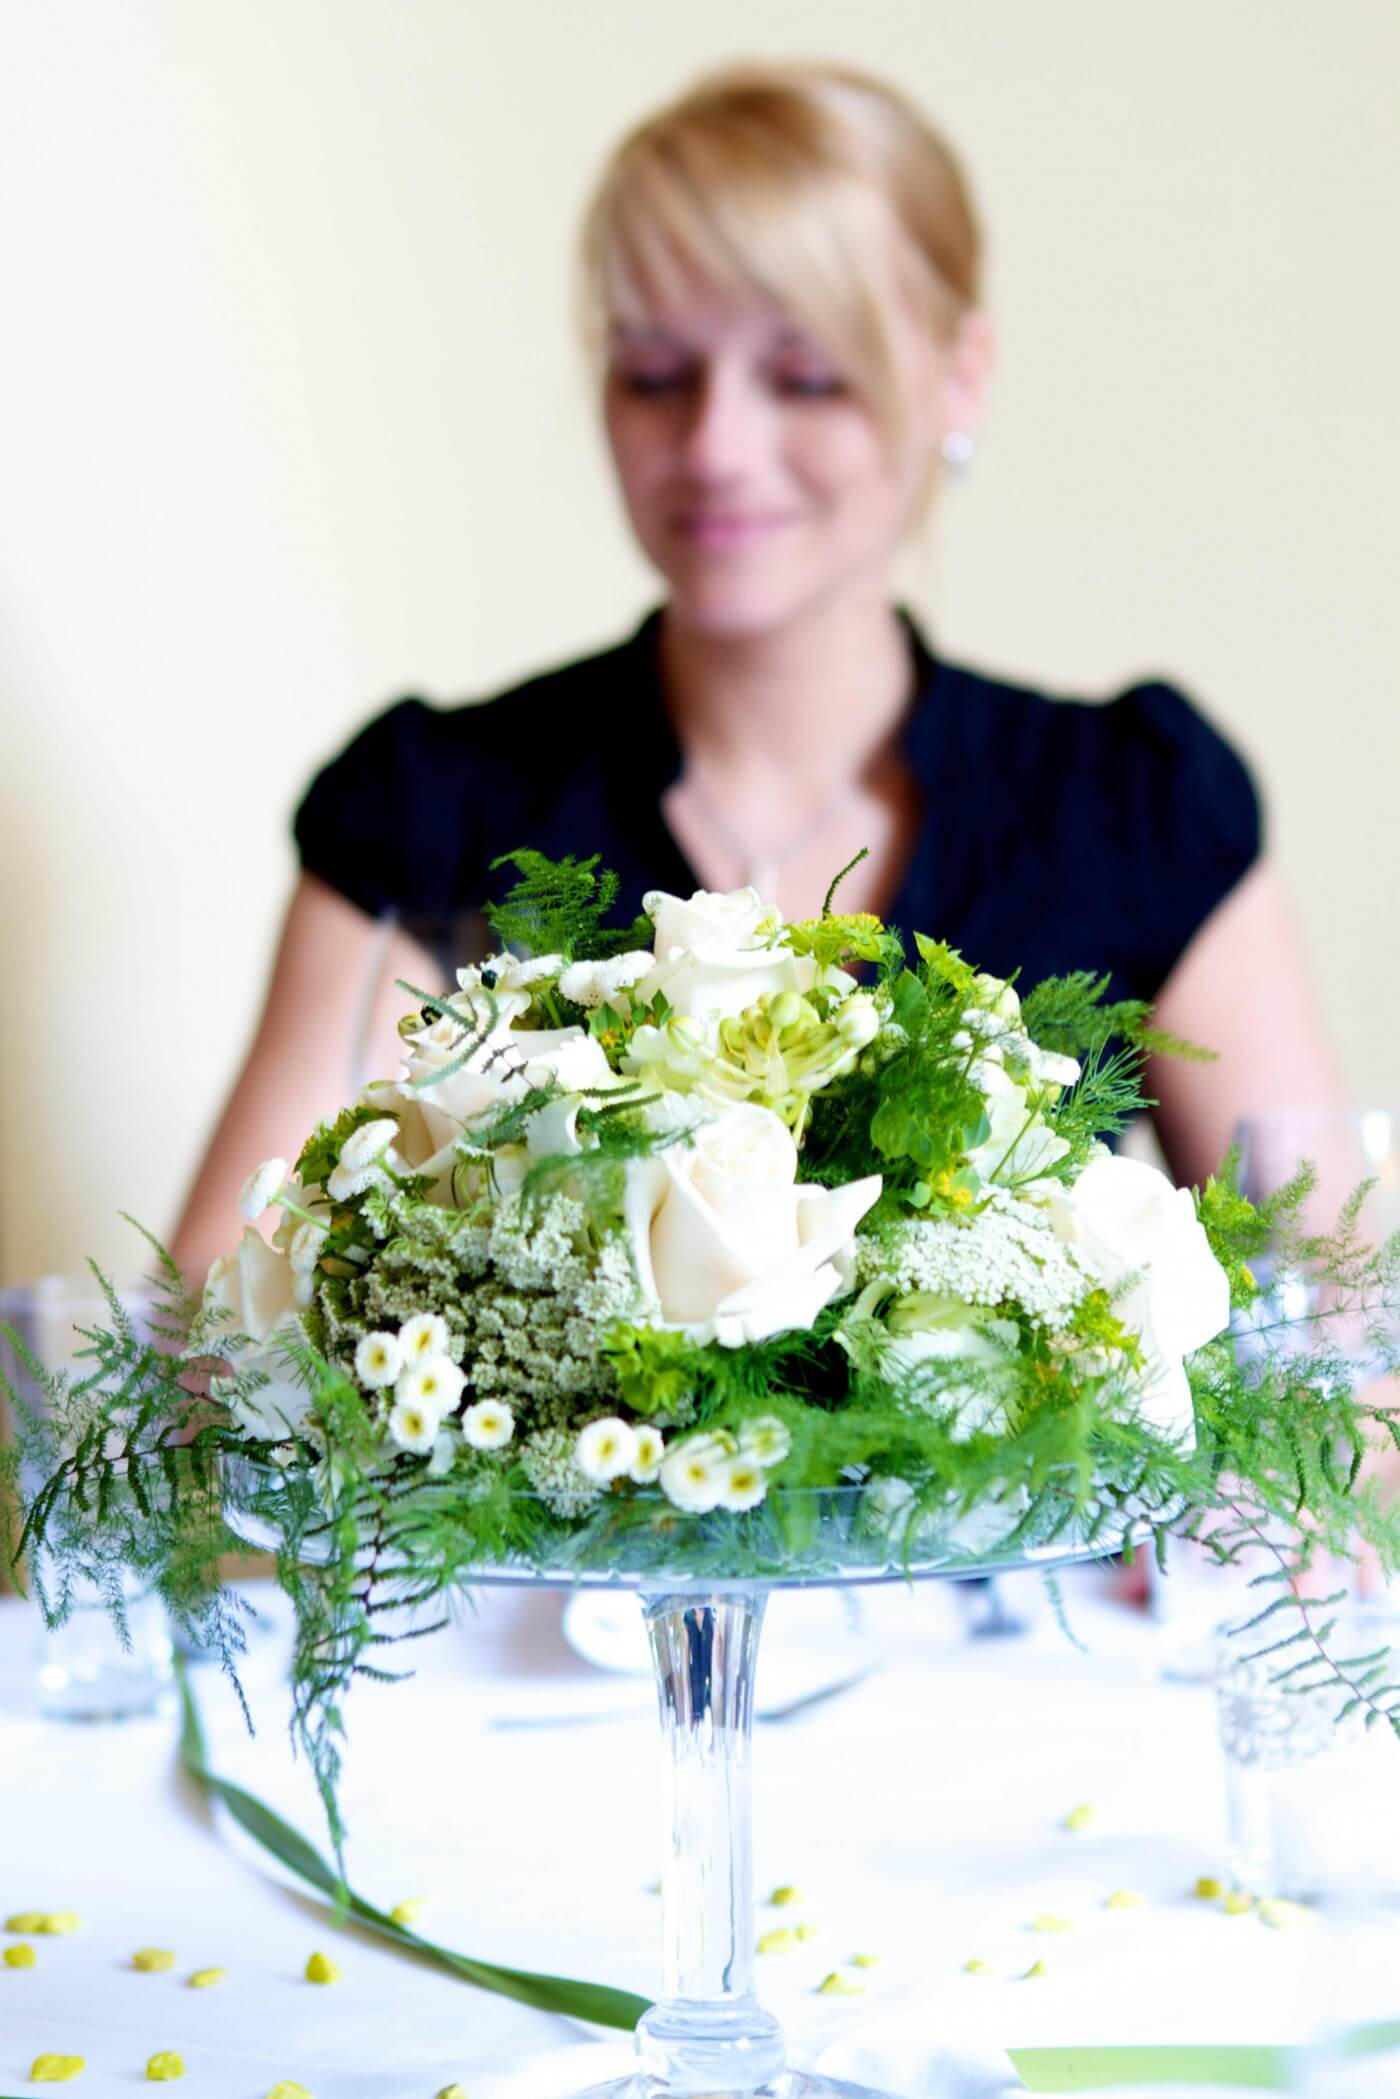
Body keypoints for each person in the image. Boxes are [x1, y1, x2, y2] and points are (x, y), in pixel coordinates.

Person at [171, 58, 1344, 1287]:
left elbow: (1338, 1348)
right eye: (655, 375)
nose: (717, 448)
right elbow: (211, 1331)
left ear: (958, 376)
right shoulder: (433, 806)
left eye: (805, 376)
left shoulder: (1134, 804)